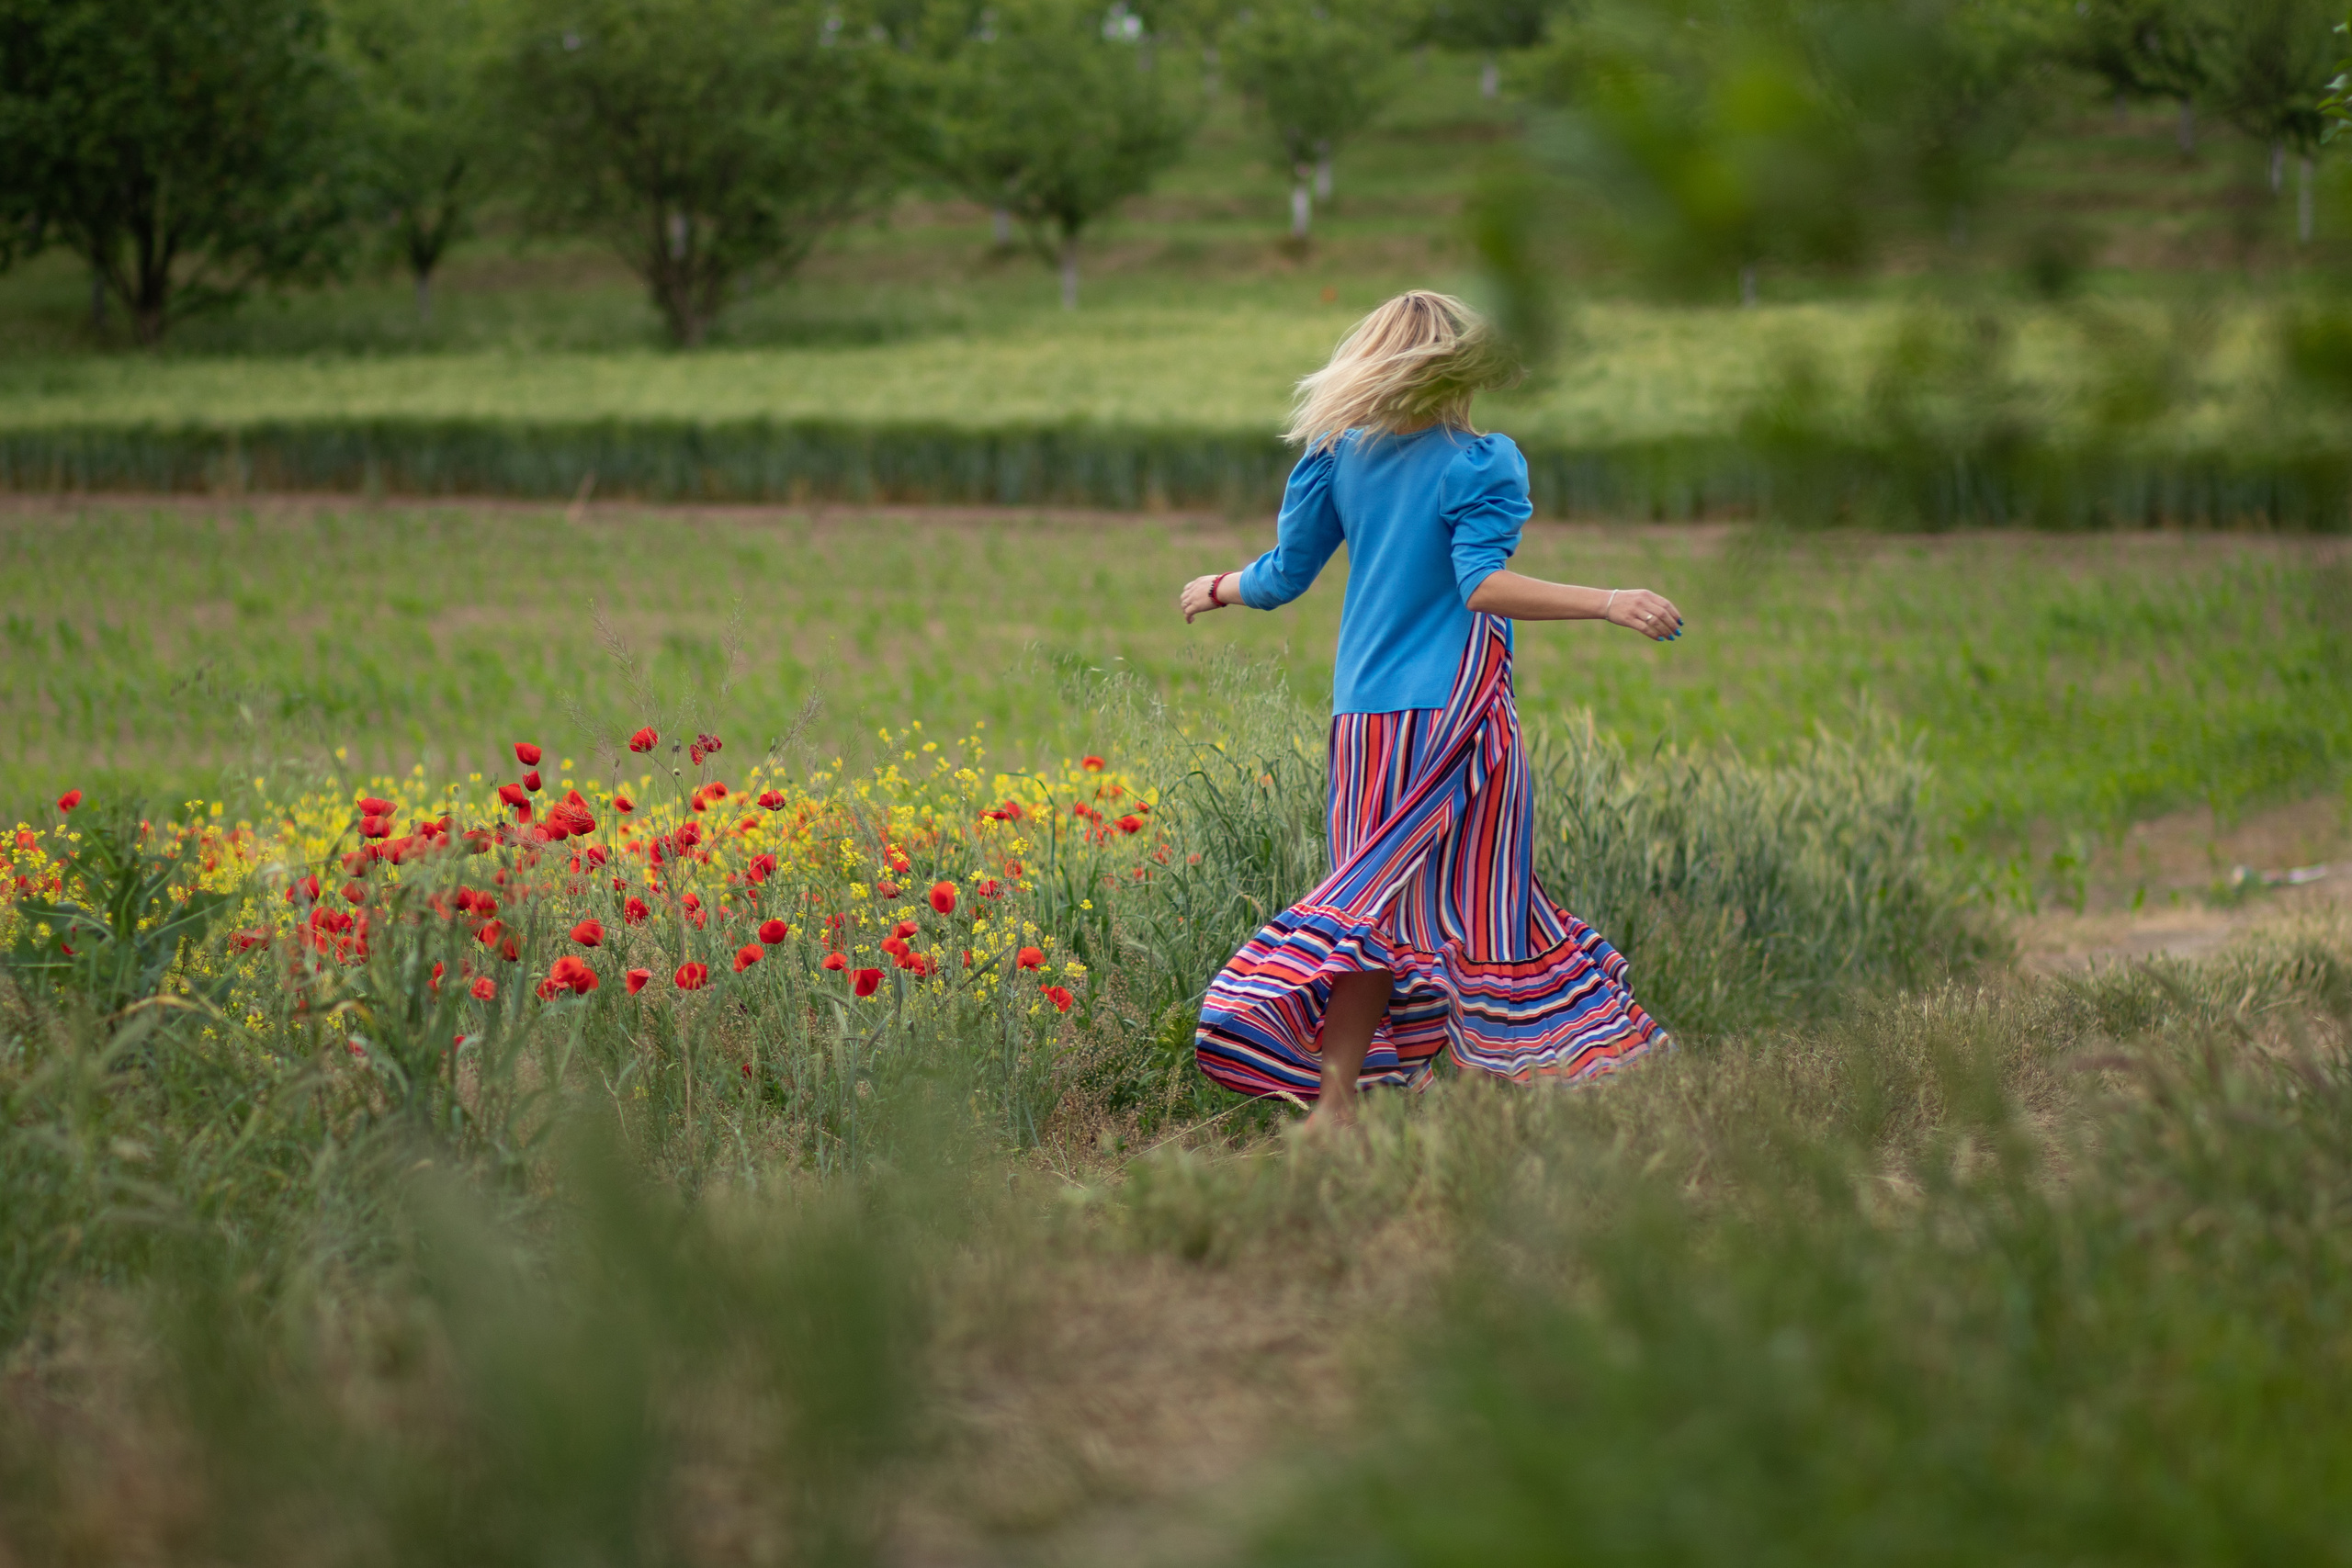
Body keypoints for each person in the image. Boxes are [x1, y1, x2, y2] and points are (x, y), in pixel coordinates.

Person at [1178, 290, 1679, 1131]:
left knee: (1370, 914)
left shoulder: (1338, 457)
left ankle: (1336, 1110)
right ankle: (1517, 1087)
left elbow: (1283, 576)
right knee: (1488, 908)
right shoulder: (1480, 461)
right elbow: (1479, 583)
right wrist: (1609, 599)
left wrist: (1220, 586)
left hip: (1367, 726)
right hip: (1459, 720)